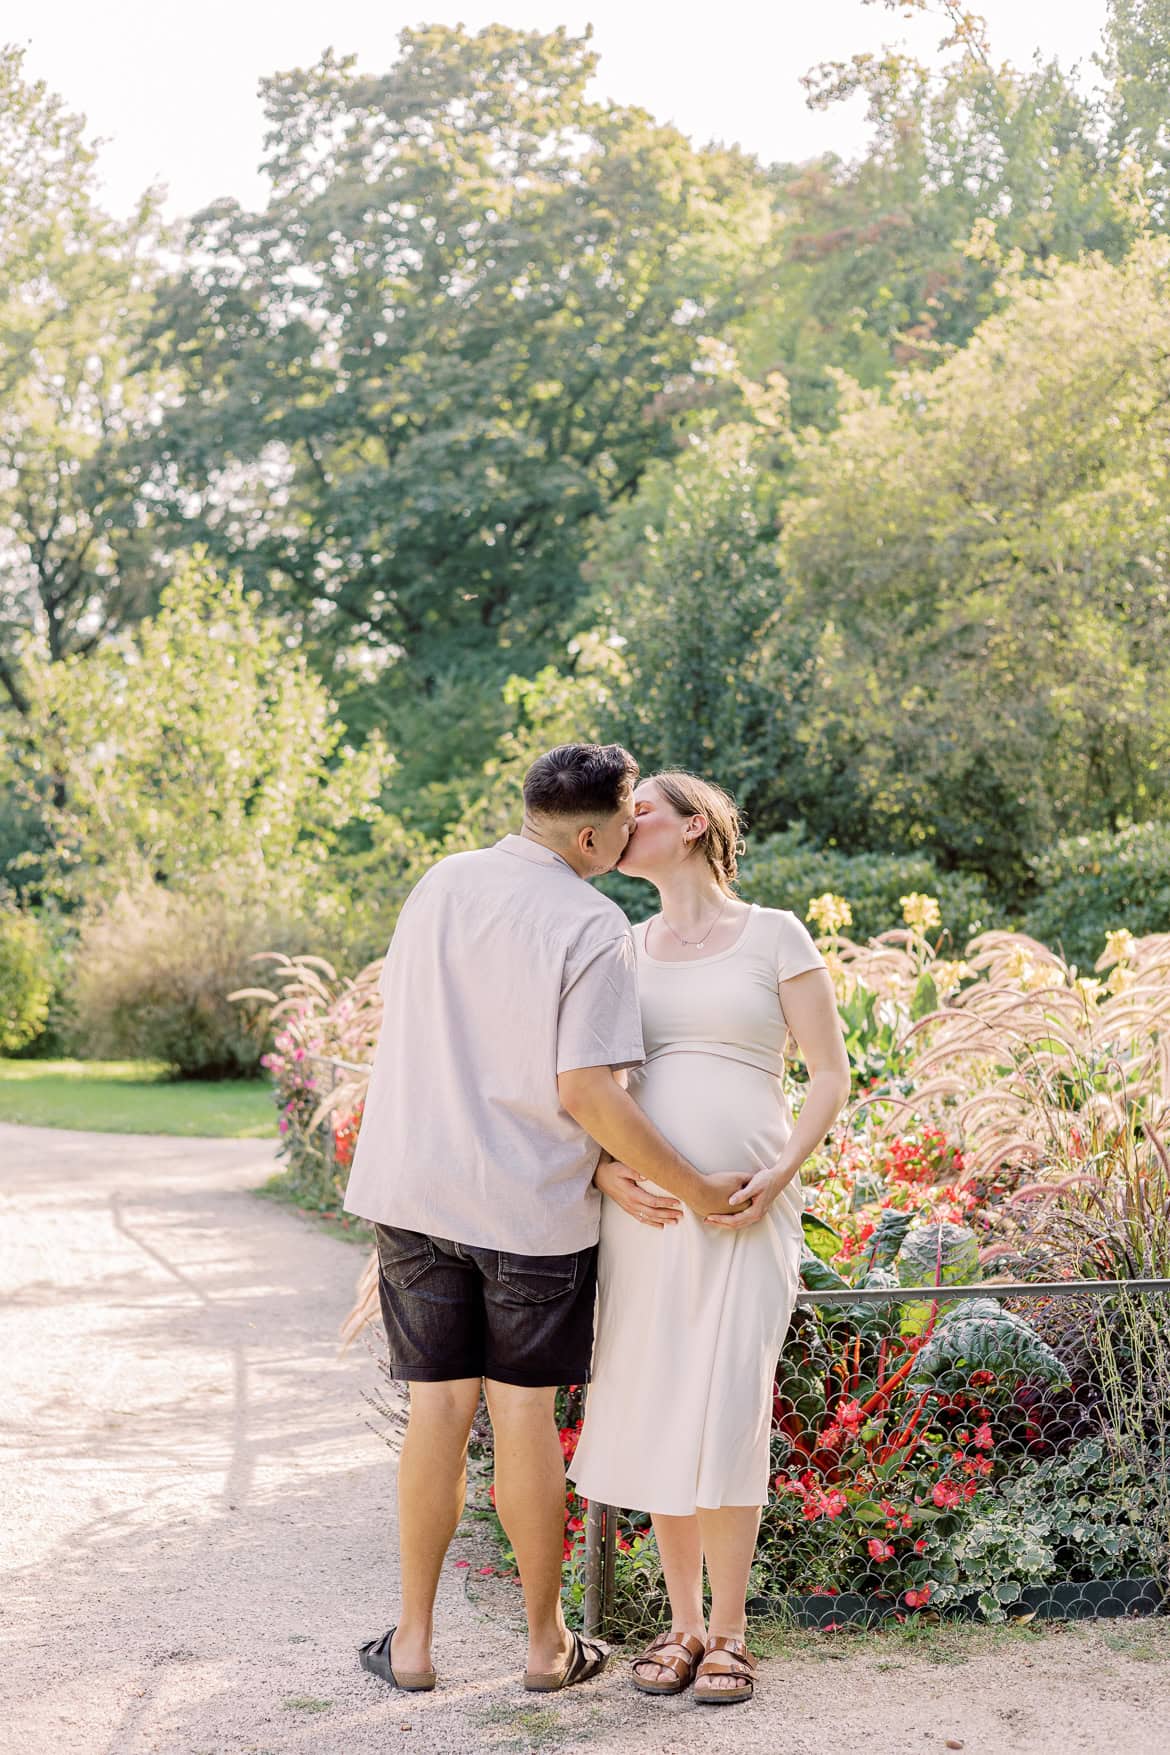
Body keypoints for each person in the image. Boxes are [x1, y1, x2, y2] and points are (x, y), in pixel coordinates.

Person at [342, 744, 748, 1695]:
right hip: (526, 1209)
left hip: (413, 1194)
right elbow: (586, 1092)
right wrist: (691, 1186)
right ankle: (541, 1647)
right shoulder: (592, 921)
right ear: (597, 834)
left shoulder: (439, 884)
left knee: (436, 1409)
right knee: (522, 1416)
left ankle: (411, 1642)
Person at [568, 771, 851, 1706]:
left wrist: (784, 1170)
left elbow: (828, 1077)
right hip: (645, 1221)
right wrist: (606, 1171)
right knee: (658, 1402)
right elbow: (583, 1081)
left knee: (728, 1402)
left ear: (692, 826)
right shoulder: (621, 945)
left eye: (640, 808)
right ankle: (682, 1623)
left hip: (748, 1214)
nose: (622, 821)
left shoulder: (776, 934)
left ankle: (730, 1630)